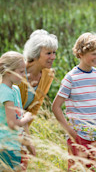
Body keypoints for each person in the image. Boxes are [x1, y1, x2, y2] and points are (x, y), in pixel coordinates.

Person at [52, 32, 96, 171]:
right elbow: (56, 107)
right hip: (79, 136)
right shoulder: (71, 78)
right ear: (81, 54)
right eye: (93, 54)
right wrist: (71, 132)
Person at [18, 29, 58, 168]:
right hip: (6, 124)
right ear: (35, 54)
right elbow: (10, 107)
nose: (53, 57)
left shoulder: (48, 75)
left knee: (23, 164)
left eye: (54, 53)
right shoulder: (16, 73)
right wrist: (27, 140)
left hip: (21, 127)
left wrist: (24, 134)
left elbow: (35, 106)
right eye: (48, 53)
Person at [0, 51, 34, 171]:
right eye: (20, 72)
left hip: (15, 144)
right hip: (5, 147)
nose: (24, 75)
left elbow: (18, 115)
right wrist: (28, 117)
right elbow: (13, 123)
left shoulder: (15, 90)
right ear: (8, 72)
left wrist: (29, 144)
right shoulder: (5, 92)